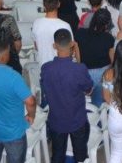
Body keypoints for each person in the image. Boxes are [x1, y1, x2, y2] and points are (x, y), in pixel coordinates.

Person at [40, 29, 92, 163]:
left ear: (54, 46)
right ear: (72, 44)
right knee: (80, 155)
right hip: (77, 120)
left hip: (56, 121)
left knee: (57, 155)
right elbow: (88, 90)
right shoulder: (79, 69)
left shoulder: (46, 69)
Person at [75, 9, 115, 106]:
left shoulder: (79, 33)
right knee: (98, 104)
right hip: (102, 74)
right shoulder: (109, 38)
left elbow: (78, 59)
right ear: (107, 24)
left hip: (85, 73)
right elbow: (113, 61)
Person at [32, 0, 74, 66]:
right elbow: (70, 49)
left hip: (43, 68)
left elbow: (36, 46)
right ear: (58, 4)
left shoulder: (36, 23)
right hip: (61, 68)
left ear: (44, 5)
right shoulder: (65, 25)